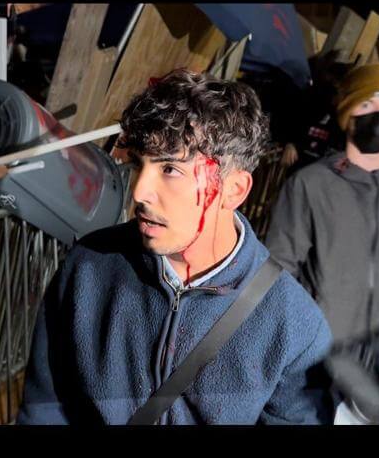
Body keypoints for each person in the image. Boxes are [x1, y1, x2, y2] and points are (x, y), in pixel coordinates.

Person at [17, 69, 332, 425]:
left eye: (170, 169)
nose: (139, 192)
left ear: (234, 190)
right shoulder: (88, 267)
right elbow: (45, 406)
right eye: (139, 164)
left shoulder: (293, 326)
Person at [265, 63, 379, 415]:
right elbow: (278, 269)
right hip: (317, 361)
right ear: (347, 114)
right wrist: (295, 340)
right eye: (368, 106)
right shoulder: (309, 184)